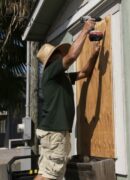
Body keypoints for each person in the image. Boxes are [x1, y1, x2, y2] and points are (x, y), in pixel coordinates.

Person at [34, 19, 100, 180]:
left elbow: (84, 73)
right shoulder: (51, 71)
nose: (62, 54)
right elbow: (71, 56)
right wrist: (85, 30)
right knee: (50, 175)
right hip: (55, 132)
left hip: (56, 132)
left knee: (48, 173)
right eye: (59, 53)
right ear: (51, 59)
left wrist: (94, 53)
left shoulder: (60, 77)